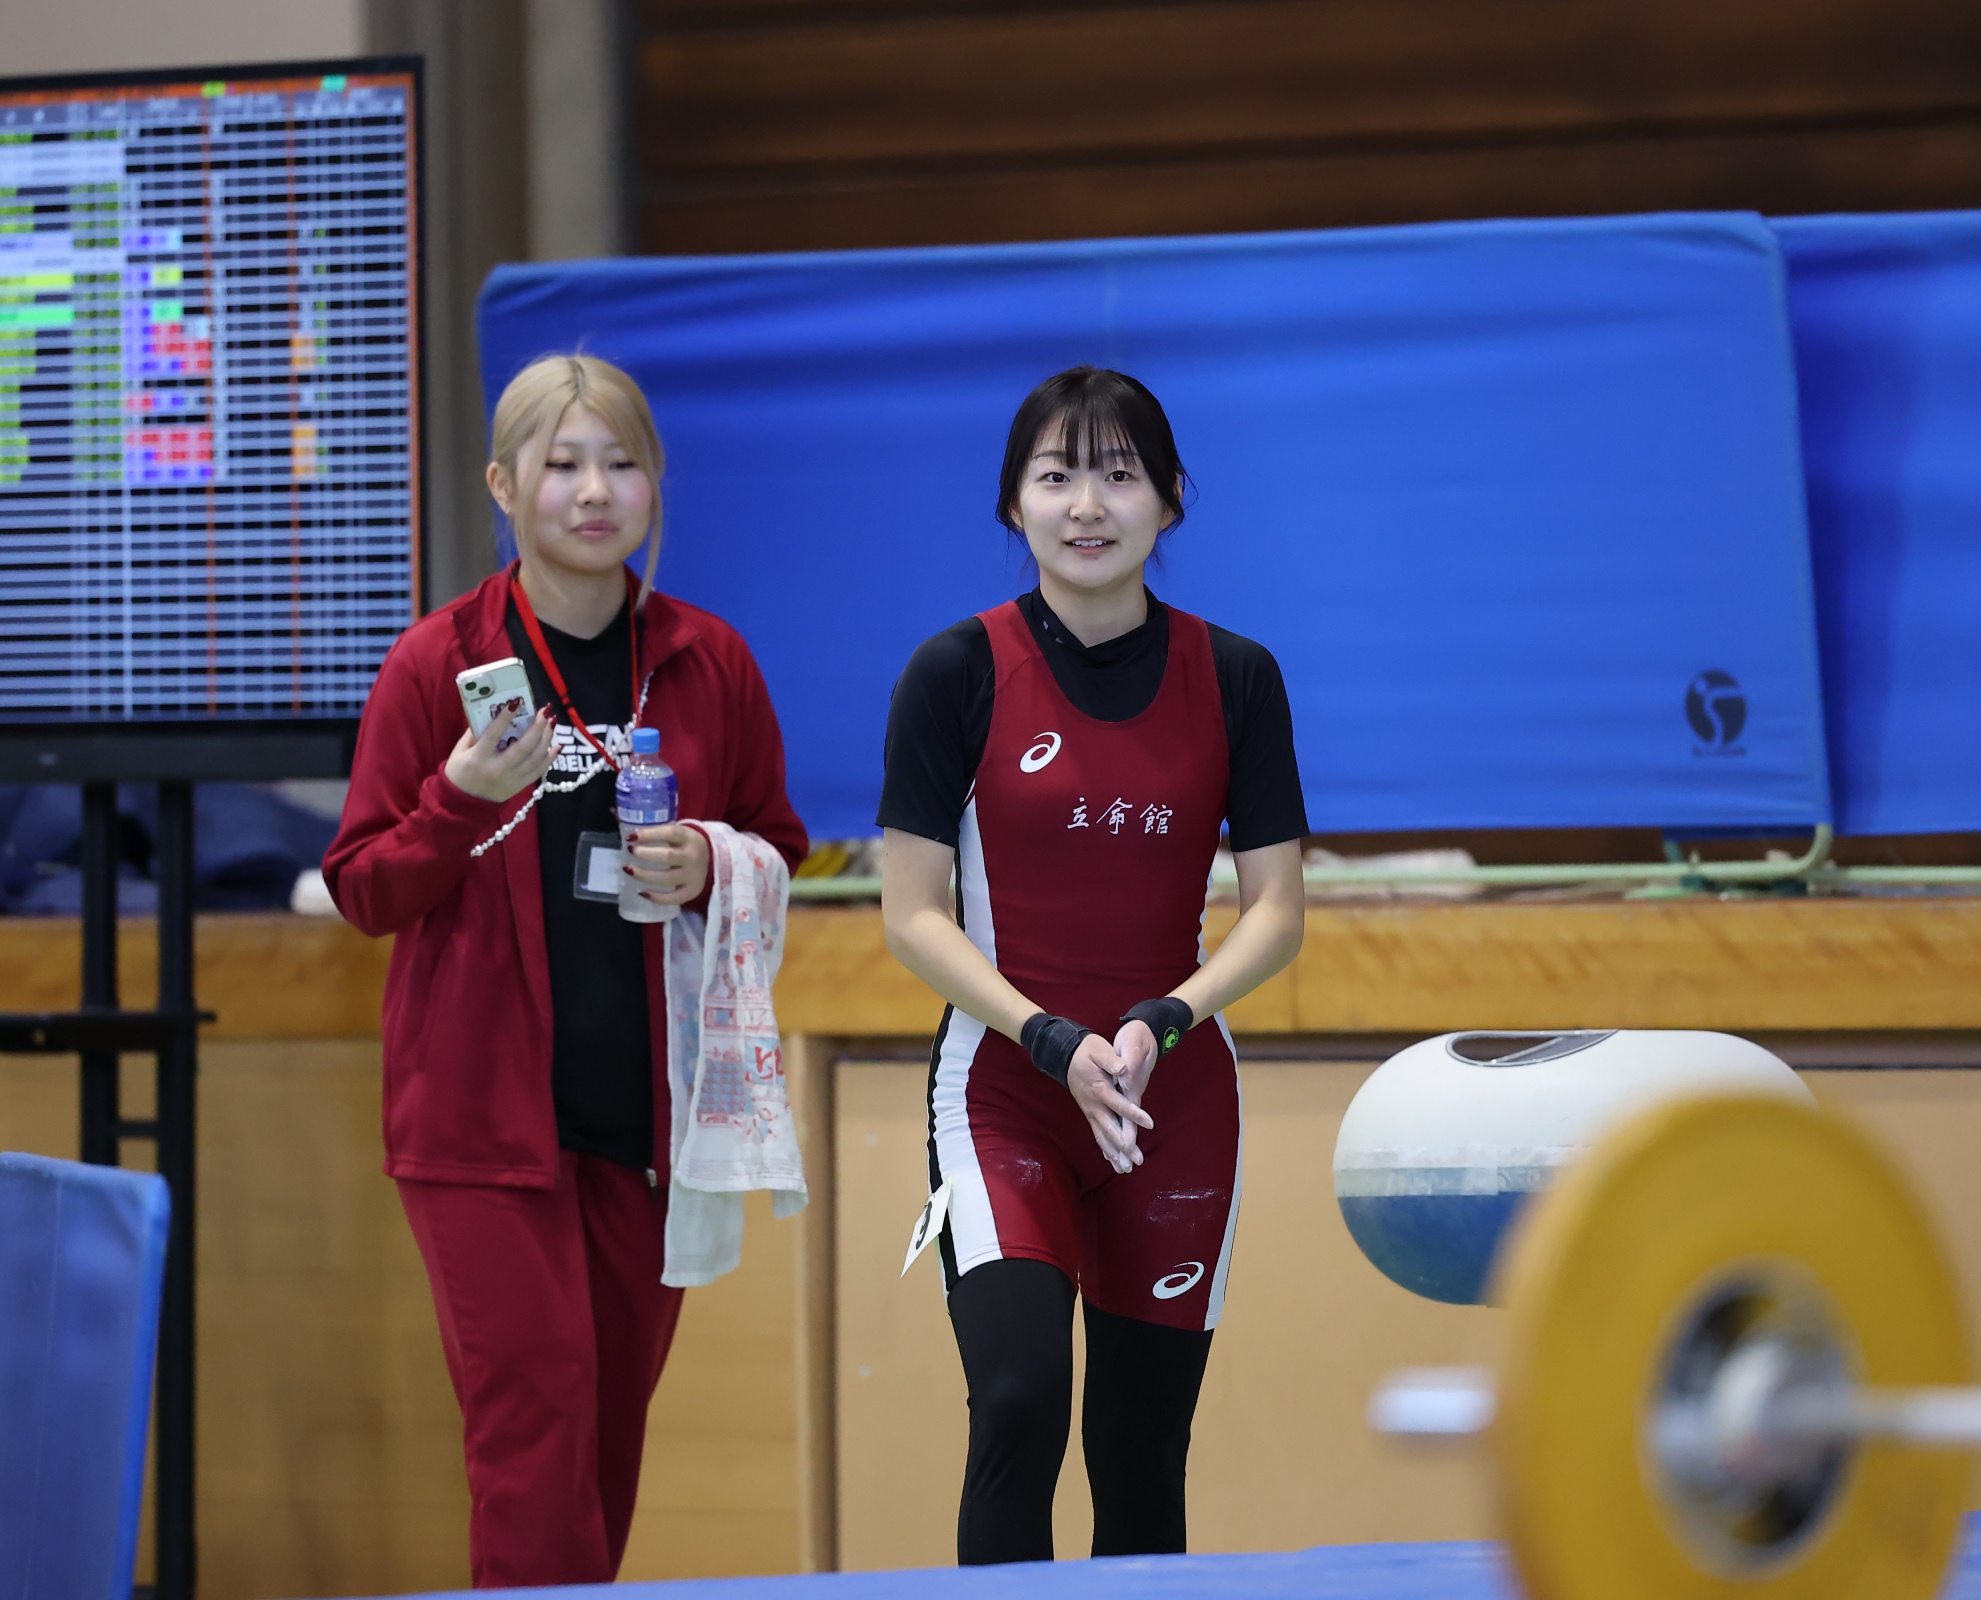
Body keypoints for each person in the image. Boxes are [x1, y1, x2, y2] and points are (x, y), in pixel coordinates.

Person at [324, 354, 809, 1588]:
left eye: (622, 462)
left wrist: (708, 858)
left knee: (602, 1446)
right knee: (533, 1435)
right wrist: (456, 796)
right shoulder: (437, 665)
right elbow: (363, 885)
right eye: (563, 464)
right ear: (503, 485)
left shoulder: (709, 659)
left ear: (654, 482)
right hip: (480, 1130)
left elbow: (778, 842)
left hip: (647, 1128)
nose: (595, 491)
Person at [878, 366, 1309, 1564]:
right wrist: (1049, 1037)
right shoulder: (954, 673)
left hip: (1174, 1099)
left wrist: (1165, 1019)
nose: (1087, 504)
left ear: (1169, 500)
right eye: (1056, 475)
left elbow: (1277, 912)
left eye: (1120, 475)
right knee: (1019, 1402)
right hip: (1004, 1090)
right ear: (1012, 503)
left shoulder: (1238, 676)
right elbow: (910, 915)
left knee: (1140, 1449)